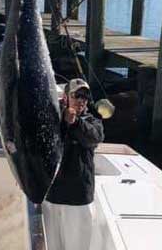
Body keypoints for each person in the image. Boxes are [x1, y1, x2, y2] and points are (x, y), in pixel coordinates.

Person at [43, 78, 105, 250]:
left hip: (79, 197)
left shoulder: (93, 121)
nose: (81, 100)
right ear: (65, 97)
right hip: (52, 196)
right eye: (77, 95)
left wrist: (76, 122)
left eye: (85, 96)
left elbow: (94, 138)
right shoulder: (52, 120)